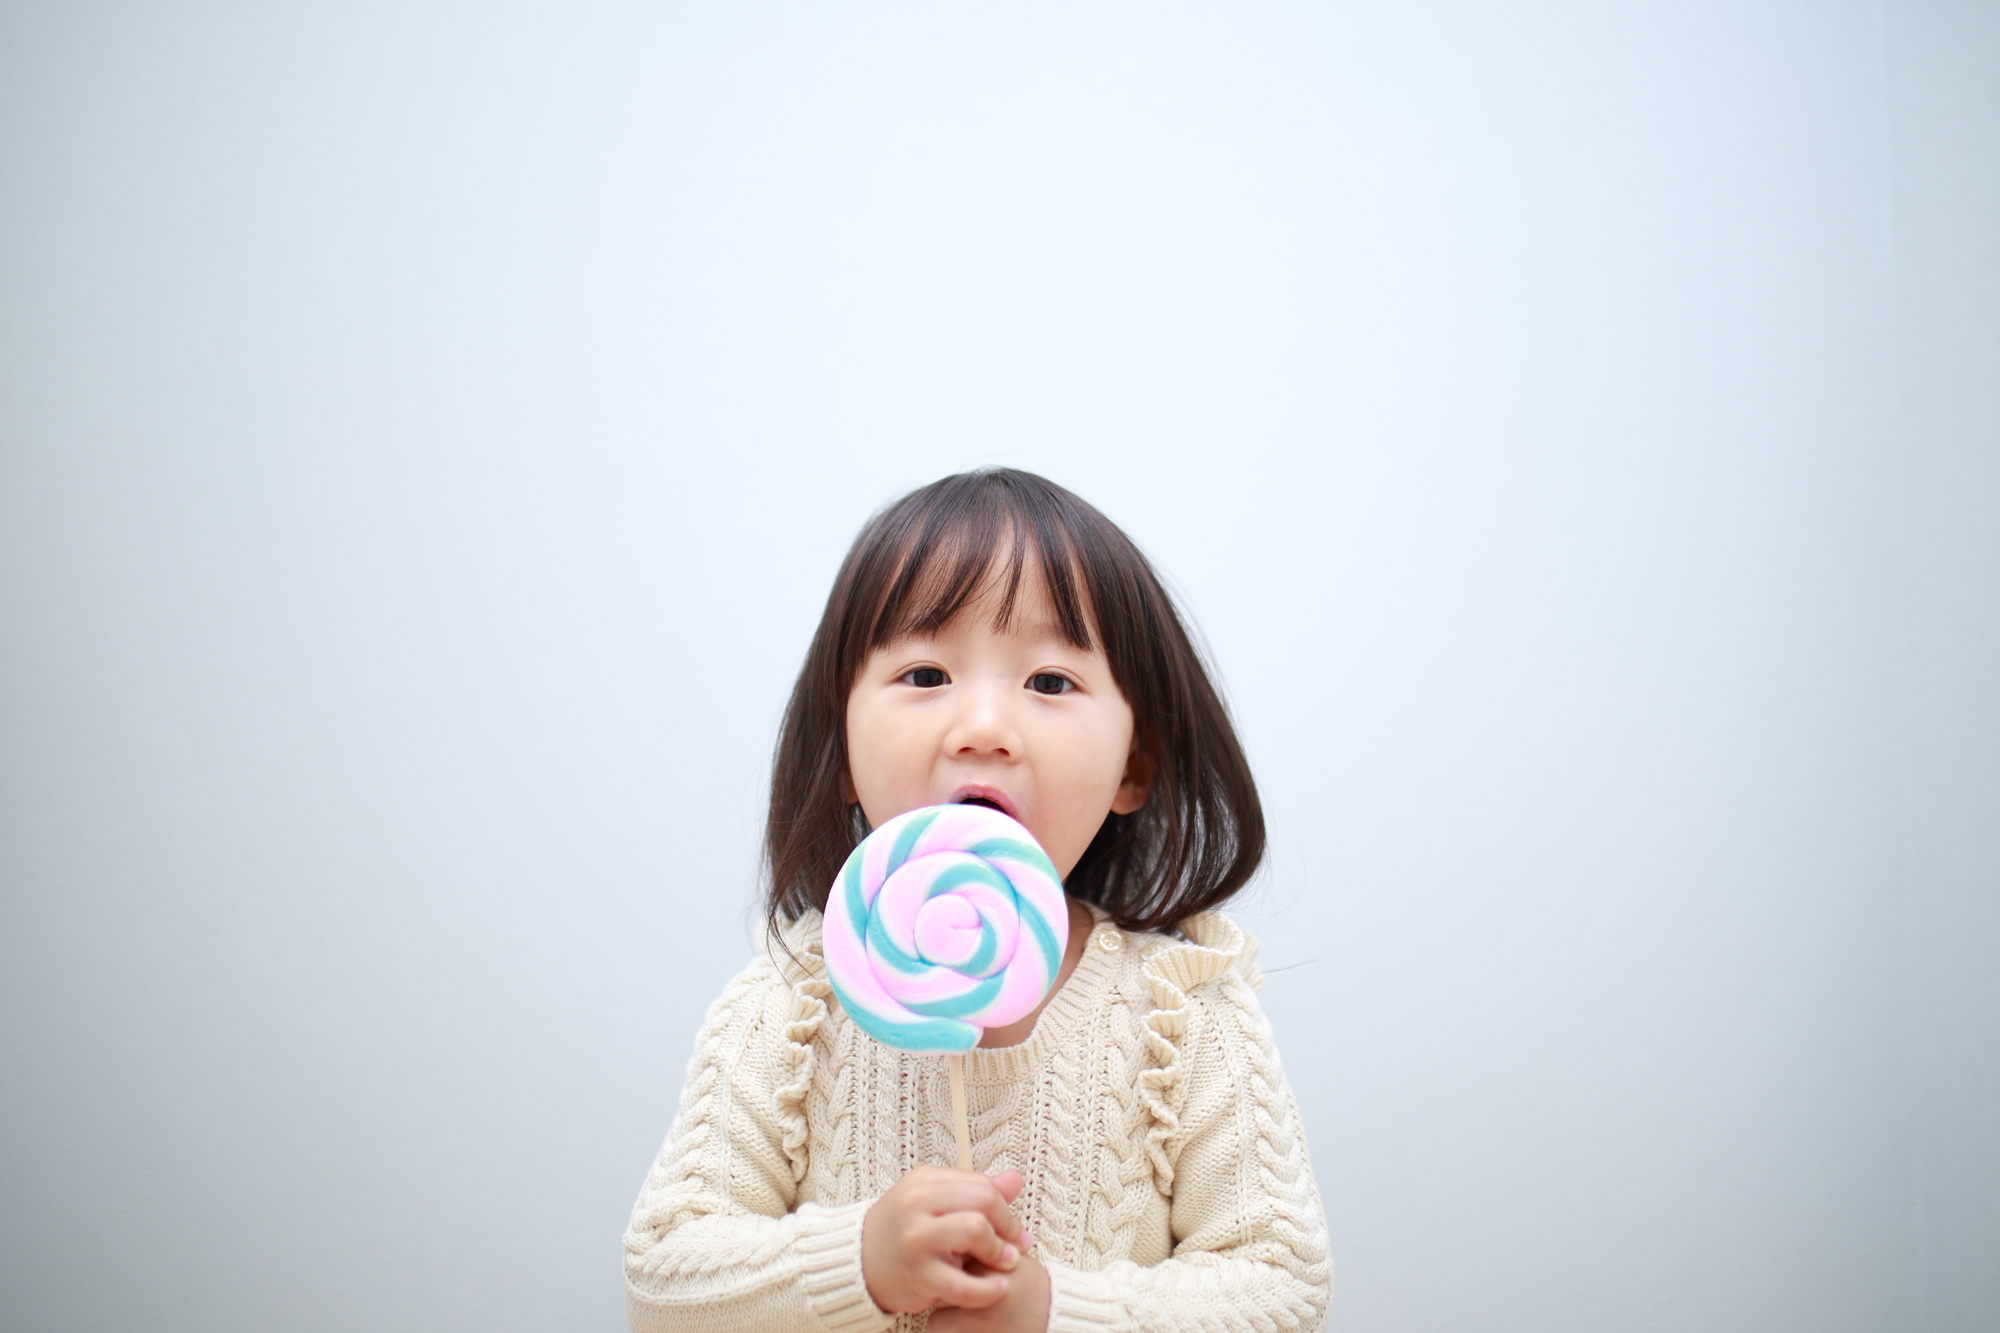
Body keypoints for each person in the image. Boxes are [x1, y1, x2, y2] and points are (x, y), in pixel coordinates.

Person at [623, 469, 1332, 1332]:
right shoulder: (791, 1005)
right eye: (926, 673)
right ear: (841, 750)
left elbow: (1281, 1290)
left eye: (1049, 681)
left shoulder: (1183, 1014)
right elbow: (662, 1277)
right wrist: (861, 1262)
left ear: (1134, 765)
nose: (984, 725)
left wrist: (1052, 1312)